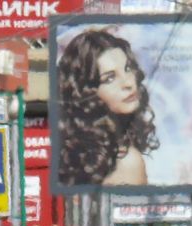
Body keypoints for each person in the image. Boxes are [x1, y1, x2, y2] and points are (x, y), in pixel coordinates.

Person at [56, 28, 159, 187]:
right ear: (85, 93)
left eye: (127, 69)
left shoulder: (69, 155)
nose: (128, 83)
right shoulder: (127, 161)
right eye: (110, 78)